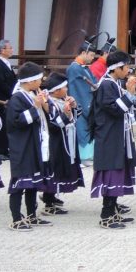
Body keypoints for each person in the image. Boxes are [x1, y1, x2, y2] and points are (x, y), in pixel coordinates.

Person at [90, 51, 136, 230]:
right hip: (109, 135)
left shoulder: (114, 83)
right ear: (117, 68)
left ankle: (114, 211)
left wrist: (132, 96)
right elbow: (114, 108)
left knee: (118, 170)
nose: (128, 70)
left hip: (118, 133)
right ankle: (106, 215)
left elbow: (126, 108)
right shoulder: (106, 85)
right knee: (112, 172)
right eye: (126, 67)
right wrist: (129, 94)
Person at [4, 61, 56, 231]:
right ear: (30, 81)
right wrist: (35, 107)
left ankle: (31, 215)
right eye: (39, 79)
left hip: (35, 144)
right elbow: (16, 121)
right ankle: (16, 218)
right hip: (23, 146)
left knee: (33, 182)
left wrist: (43, 104)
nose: (41, 82)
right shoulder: (17, 97)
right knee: (19, 183)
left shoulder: (32, 94)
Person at [40, 72, 84, 216]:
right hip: (55, 141)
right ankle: (48, 200)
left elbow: (77, 116)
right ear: (57, 90)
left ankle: (51, 197)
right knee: (55, 167)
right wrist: (66, 114)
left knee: (63, 166)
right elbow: (54, 124)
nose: (67, 90)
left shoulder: (63, 99)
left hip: (67, 138)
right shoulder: (48, 103)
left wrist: (74, 106)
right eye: (65, 87)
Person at [67, 40, 97, 163]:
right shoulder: (74, 68)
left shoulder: (81, 67)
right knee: (82, 129)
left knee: (87, 129)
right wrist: (86, 106)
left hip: (87, 100)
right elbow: (78, 90)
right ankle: (83, 157)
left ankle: (88, 155)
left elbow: (93, 82)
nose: (92, 58)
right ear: (83, 53)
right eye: (91, 55)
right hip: (81, 102)